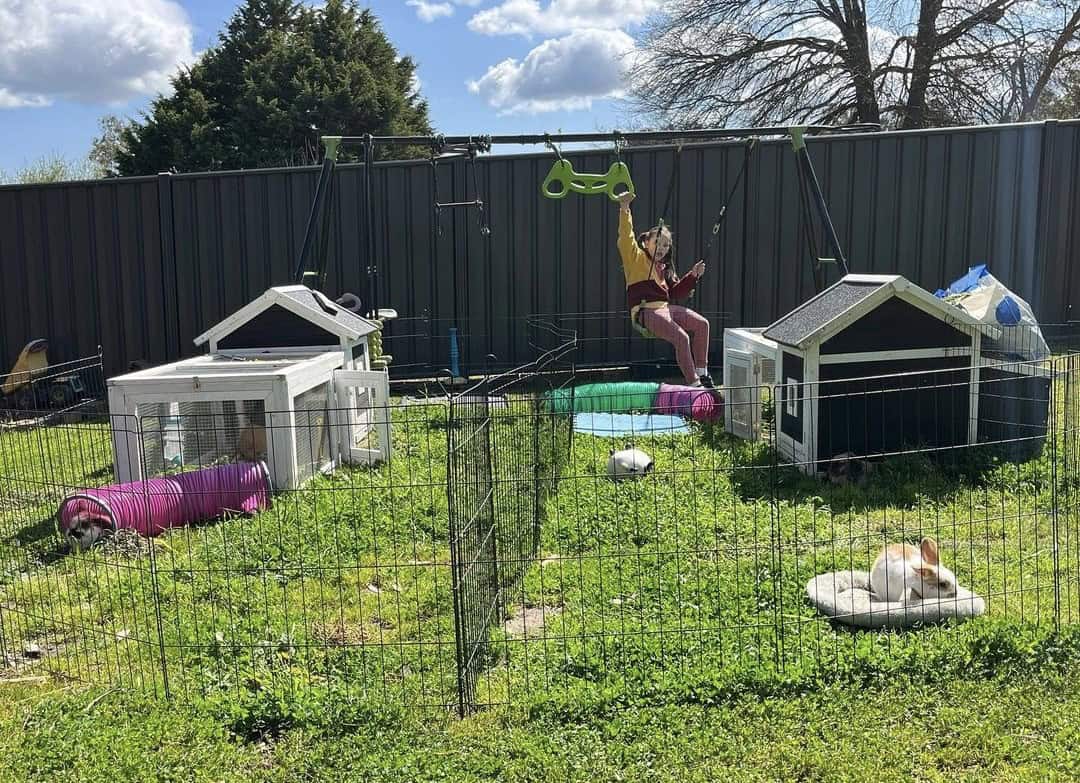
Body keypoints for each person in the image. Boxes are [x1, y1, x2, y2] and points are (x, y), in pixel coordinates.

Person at [616, 191, 712, 387]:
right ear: (646, 243)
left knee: (702, 324)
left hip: (665, 310)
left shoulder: (664, 267)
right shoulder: (635, 258)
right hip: (646, 311)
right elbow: (626, 237)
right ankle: (694, 384)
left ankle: (702, 372)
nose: (662, 248)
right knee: (682, 338)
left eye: (666, 246)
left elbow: (676, 292)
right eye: (658, 243)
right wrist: (625, 208)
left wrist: (693, 275)